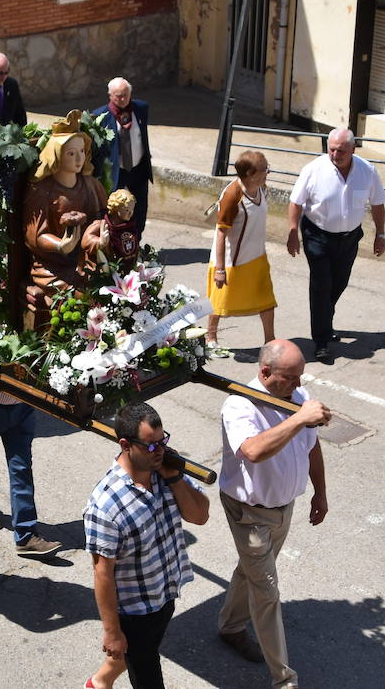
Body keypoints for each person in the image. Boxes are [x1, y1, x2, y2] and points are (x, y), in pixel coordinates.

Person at [216, 340, 330, 688]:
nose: (298, 385)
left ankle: (230, 627)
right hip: (250, 512)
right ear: (265, 373)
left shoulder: (297, 395)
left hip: (284, 507)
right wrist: (300, 418)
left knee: (251, 573)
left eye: (301, 377)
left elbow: (312, 447)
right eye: (291, 377)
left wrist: (320, 493)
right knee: (267, 592)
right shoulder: (239, 405)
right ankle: (284, 679)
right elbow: (253, 450)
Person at [83, 402, 210, 689]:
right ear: (126, 445)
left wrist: (175, 478)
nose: (160, 451)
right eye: (151, 445)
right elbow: (103, 574)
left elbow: (199, 515)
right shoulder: (106, 505)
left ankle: (100, 681)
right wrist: (112, 631)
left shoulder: (164, 471)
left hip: (165, 594)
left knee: (139, 649)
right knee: (147, 670)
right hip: (135, 611)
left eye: (162, 441)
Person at [286, 127, 385, 362]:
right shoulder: (313, 170)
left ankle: (325, 320)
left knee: (339, 283)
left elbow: (378, 203)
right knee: (321, 285)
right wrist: (292, 232)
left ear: (353, 149)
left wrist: (380, 234)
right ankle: (321, 341)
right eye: (331, 149)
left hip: (350, 237)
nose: (335, 154)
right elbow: (295, 202)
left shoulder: (367, 171)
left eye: (341, 150)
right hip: (317, 235)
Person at [23, 111, 107, 297]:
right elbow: (35, 235)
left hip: (88, 260)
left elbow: (104, 218)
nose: (79, 159)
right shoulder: (42, 191)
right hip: (52, 267)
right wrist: (61, 245)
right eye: (71, 153)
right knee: (83, 295)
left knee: (110, 286)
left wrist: (101, 236)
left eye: (82, 151)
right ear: (56, 155)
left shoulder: (91, 185)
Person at [207, 150, 277, 349]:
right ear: (250, 173)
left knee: (266, 299)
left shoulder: (261, 187)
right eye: (264, 169)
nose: (267, 172)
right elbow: (221, 233)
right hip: (231, 261)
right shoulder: (232, 195)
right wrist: (220, 269)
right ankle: (210, 338)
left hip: (257, 257)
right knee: (220, 301)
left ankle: (270, 340)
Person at [91, 77, 153, 237]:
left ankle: (136, 244)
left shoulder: (141, 109)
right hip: (116, 171)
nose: (123, 99)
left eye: (126, 94)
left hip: (138, 168)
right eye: (119, 96)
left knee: (139, 209)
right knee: (116, 210)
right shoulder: (100, 116)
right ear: (110, 95)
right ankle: (116, 243)